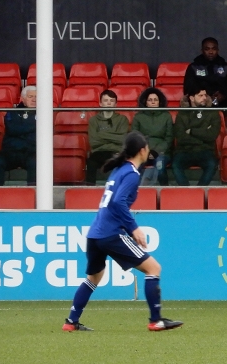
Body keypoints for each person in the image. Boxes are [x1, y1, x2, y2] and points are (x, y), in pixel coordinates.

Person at [63, 131, 183, 332]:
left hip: (95, 233)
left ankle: (71, 322)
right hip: (110, 233)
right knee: (154, 269)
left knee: (94, 278)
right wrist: (134, 228)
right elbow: (118, 202)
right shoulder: (132, 174)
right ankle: (156, 320)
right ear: (142, 151)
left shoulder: (119, 170)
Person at [172, 84, 221, 186]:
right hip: (185, 150)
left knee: (212, 164)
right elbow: (180, 137)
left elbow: (212, 135)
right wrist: (203, 135)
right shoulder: (182, 114)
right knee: (175, 165)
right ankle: (187, 192)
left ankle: (199, 191)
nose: (204, 98)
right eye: (200, 95)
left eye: (205, 95)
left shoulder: (213, 113)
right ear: (191, 98)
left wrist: (192, 131)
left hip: (205, 150)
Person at [0, 85, 37, 186]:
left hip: (30, 151)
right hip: (11, 151)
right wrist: (34, 126)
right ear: (23, 99)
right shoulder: (12, 112)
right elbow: (12, 129)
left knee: (35, 162)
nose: (34, 100)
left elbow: (18, 130)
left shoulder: (44, 113)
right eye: (30, 97)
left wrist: (21, 130)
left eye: (37, 97)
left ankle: (34, 193)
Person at [183, 37, 227, 110]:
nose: (211, 52)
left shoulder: (226, 67)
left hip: (223, 102)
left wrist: (223, 96)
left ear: (218, 50)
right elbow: (188, 90)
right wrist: (206, 96)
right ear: (202, 51)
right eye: (207, 49)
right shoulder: (194, 67)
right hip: (201, 102)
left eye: (214, 49)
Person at [86, 90, 129, 185]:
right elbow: (94, 142)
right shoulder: (93, 120)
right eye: (106, 100)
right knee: (91, 162)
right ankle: (89, 190)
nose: (109, 103)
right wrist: (114, 136)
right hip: (99, 152)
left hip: (116, 152)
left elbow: (122, 140)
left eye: (111, 100)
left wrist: (101, 134)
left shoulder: (122, 119)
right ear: (100, 103)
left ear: (116, 104)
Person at [131, 87, 173, 186]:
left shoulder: (166, 116)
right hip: (143, 151)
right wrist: (146, 151)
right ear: (146, 102)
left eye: (155, 100)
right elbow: (135, 137)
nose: (153, 102)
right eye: (150, 100)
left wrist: (156, 151)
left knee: (160, 167)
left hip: (162, 152)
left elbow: (169, 138)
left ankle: (164, 191)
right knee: (134, 168)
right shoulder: (138, 117)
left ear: (160, 102)